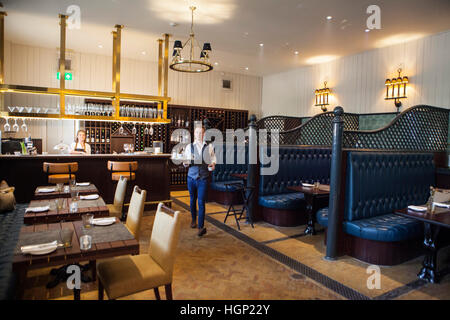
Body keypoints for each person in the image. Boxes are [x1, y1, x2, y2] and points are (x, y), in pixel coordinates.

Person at [183, 124, 216, 237]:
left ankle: (200, 227)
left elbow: (213, 161)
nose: (199, 135)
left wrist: (212, 165)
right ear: (194, 134)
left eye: (201, 133)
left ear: (204, 134)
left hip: (203, 178)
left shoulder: (209, 147)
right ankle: (193, 220)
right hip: (191, 178)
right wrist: (186, 162)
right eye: (197, 132)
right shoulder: (189, 147)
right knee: (192, 200)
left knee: (201, 202)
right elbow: (185, 162)